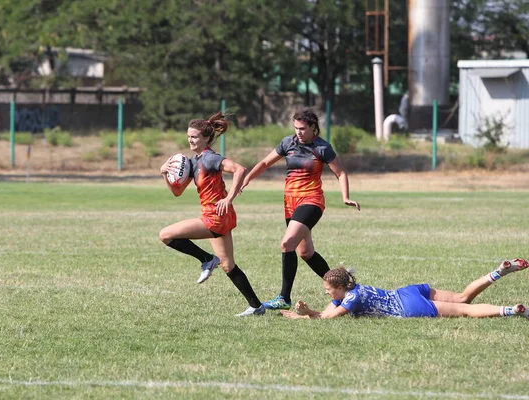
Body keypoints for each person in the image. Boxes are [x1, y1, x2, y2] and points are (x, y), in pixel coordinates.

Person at [239, 108, 360, 310]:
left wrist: (345, 196)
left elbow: (341, 173)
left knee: (287, 244)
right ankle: (344, 288)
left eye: (303, 128)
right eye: (296, 128)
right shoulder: (288, 143)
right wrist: (248, 178)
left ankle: (283, 298)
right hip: (290, 203)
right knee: (305, 252)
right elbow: (265, 162)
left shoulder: (322, 147)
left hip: (311, 201)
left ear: (314, 128)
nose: (299, 132)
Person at [159, 111, 265, 317]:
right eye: (189, 136)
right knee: (228, 265)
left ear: (206, 138)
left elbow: (240, 169)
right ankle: (256, 306)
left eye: (195, 136)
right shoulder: (193, 162)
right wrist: (165, 173)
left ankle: (207, 259)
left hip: (214, 216)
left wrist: (229, 198)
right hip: (220, 216)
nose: (190, 140)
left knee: (165, 235)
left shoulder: (210, 158)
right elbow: (177, 192)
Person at [280, 258, 529, 319]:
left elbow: (326, 317)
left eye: (327, 289)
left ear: (341, 287)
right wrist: (310, 311)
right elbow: (326, 310)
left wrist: (300, 316)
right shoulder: (351, 290)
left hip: (408, 306)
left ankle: (512, 310)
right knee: (463, 297)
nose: (326, 292)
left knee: (464, 310)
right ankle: (497, 272)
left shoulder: (351, 300)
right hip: (407, 291)